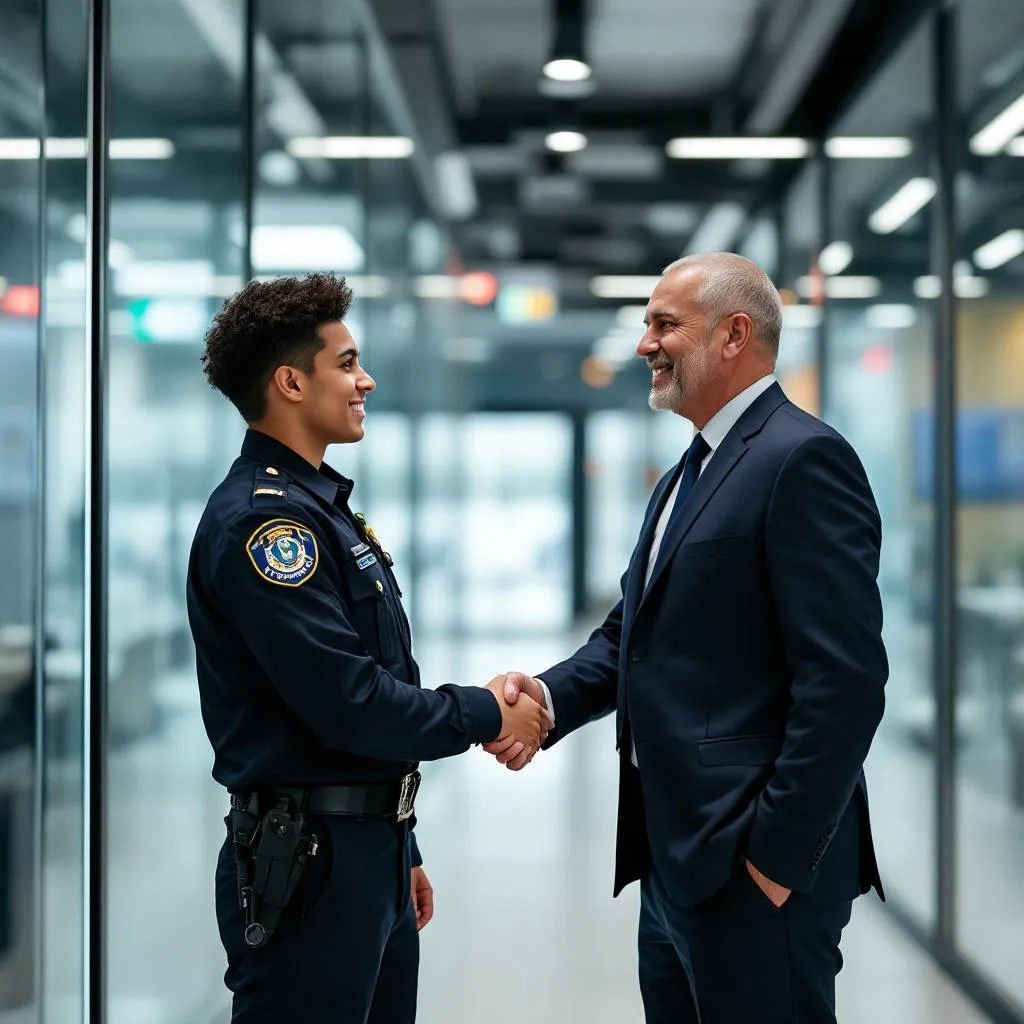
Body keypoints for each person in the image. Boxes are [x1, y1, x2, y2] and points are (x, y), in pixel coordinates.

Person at [488, 252, 887, 1024]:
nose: (646, 343)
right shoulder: (689, 471)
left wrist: (774, 861)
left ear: (735, 334)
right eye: (647, 325)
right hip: (674, 860)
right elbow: (629, 637)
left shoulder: (802, 458)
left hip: (752, 869)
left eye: (665, 324)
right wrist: (546, 698)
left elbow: (845, 683)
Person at [185, 272, 550, 1024]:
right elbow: (350, 704)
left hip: (363, 854)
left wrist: (400, 848)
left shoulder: (322, 511)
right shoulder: (266, 529)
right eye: (346, 363)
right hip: (309, 867)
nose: (366, 380)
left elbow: (368, 686)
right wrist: (487, 712)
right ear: (290, 382)